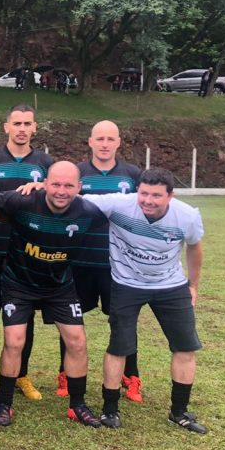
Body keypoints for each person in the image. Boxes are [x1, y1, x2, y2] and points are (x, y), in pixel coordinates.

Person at [73, 168, 207, 433]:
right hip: (127, 284)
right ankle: (110, 409)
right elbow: (72, 198)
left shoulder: (187, 216)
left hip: (170, 285)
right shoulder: (119, 204)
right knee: (119, 346)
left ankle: (179, 412)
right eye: (144, 193)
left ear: (170, 196)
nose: (148, 200)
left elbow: (195, 247)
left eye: (156, 195)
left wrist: (192, 284)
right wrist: (41, 187)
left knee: (185, 347)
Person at [0, 162, 108, 428]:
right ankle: (4, 403)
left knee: (77, 341)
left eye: (68, 185)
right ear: (45, 183)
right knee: (14, 341)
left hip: (60, 286)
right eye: (55, 184)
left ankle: (77, 405)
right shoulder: (23, 200)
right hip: (18, 283)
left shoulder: (90, 212)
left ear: (79, 188)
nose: (61, 191)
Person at [0, 105, 53, 402]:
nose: (22, 129)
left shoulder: (45, 163)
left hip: (30, 253)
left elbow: (59, 197)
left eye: (27, 124)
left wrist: (44, 186)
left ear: (35, 127)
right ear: (6, 127)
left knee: (25, 314)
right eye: (17, 123)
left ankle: (21, 374)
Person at [55, 121, 143, 401]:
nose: (105, 144)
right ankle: (65, 374)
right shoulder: (76, 173)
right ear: (90, 141)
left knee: (123, 322)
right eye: (100, 139)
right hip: (79, 262)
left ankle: (131, 377)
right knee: (70, 321)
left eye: (110, 139)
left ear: (118, 142)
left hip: (118, 265)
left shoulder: (132, 175)